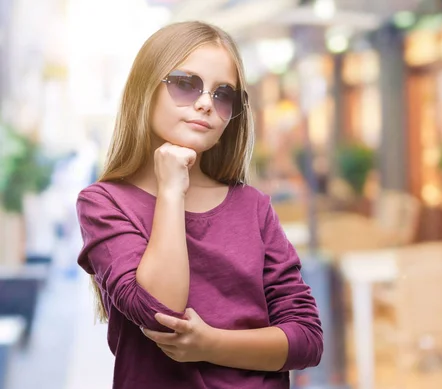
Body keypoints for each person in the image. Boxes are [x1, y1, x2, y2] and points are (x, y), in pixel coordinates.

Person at [75, 21, 323, 389]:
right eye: (186, 84)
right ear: (146, 88)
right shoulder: (104, 202)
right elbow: (160, 313)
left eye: (224, 95)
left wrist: (210, 344)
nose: (206, 103)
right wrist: (171, 188)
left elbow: (307, 339)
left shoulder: (253, 207)